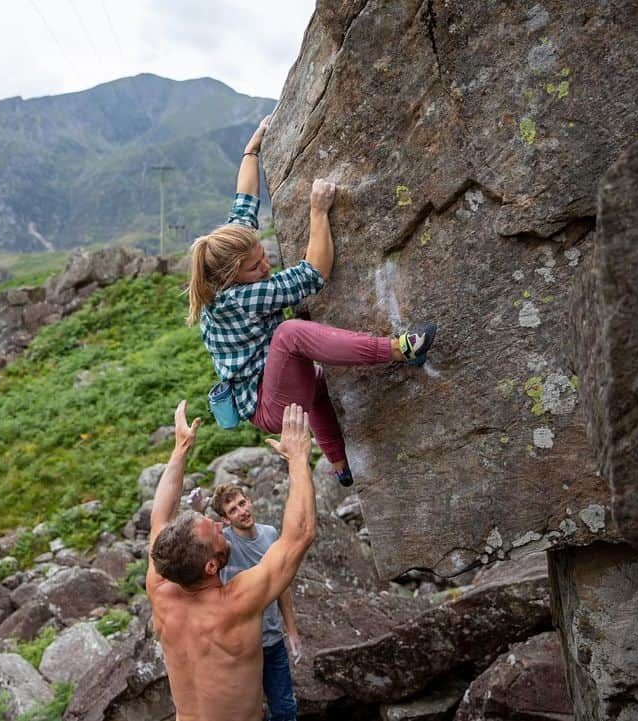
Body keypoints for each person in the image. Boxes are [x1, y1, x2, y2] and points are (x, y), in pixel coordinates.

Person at [187, 115, 436, 486]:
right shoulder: (237, 300)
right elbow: (312, 274)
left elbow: (244, 205)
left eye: (263, 254)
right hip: (270, 408)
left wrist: (251, 149)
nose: (265, 264)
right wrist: (318, 212)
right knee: (289, 335)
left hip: (274, 390)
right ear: (231, 277)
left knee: (317, 382)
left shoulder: (222, 263)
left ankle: (340, 465)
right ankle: (399, 350)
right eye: (256, 267)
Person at [147, 400, 316, 721]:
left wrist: (181, 448)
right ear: (211, 566)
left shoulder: (160, 588)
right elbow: (301, 534)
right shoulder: (236, 604)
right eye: (216, 531)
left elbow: (160, 517)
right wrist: (297, 458)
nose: (220, 525)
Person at [208, 482, 303, 721]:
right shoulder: (224, 541)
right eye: (233, 510)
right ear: (226, 519)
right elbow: (200, 546)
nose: (242, 511)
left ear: (249, 501)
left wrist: (292, 633)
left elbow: (281, 586)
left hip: (271, 640)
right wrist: (199, 512)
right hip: (238, 647)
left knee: (286, 711)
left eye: (242, 503)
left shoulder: (270, 534)